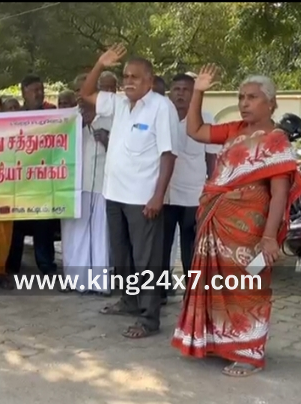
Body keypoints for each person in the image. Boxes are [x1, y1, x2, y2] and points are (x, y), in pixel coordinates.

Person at [172, 66, 301, 377]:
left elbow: (279, 193)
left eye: (252, 97)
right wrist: (199, 90)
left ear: (271, 103)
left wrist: (269, 237)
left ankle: (248, 353)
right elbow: (195, 130)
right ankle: (219, 344)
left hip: (249, 228)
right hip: (216, 222)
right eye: (241, 97)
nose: (244, 103)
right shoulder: (234, 130)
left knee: (247, 287)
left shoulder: (276, 140)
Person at [80, 44, 179, 339]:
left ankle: (149, 318)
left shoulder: (162, 107)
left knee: (146, 259)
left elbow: (168, 155)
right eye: (125, 76)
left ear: (149, 80)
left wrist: (158, 196)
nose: (128, 81)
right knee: (122, 256)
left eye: (135, 76)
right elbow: (86, 93)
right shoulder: (119, 103)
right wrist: (100, 63)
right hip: (115, 194)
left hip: (142, 198)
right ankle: (129, 300)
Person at [161, 73, 220, 301]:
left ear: (194, 93)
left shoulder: (206, 118)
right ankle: (161, 291)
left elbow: (211, 159)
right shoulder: (162, 116)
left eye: (186, 90)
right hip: (165, 194)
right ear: (170, 93)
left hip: (193, 195)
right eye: (177, 89)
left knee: (191, 247)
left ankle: (193, 293)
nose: (181, 94)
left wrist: (212, 192)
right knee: (162, 246)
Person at [6, 74, 58, 276]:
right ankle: (12, 266)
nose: (39, 94)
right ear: (23, 93)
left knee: (43, 226)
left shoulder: (53, 115)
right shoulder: (13, 117)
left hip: (43, 180)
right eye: (35, 90)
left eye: (41, 90)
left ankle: (46, 265)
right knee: (17, 227)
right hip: (18, 181)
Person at [60, 97, 110, 295]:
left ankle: (99, 283)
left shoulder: (109, 120)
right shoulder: (69, 123)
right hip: (73, 188)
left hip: (100, 188)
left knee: (99, 236)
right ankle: (74, 280)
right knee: (73, 236)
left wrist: (107, 140)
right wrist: (76, 128)